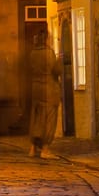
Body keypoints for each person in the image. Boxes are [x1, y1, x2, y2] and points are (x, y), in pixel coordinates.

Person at [28, 29, 62, 158]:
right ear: (46, 38)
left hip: (36, 88)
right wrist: (60, 59)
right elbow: (56, 71)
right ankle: (45, 149)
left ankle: (32, 148)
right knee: (49, 119)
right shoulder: (49, 53)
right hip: (49, 89)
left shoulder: (32, 53)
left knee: (37, 118)